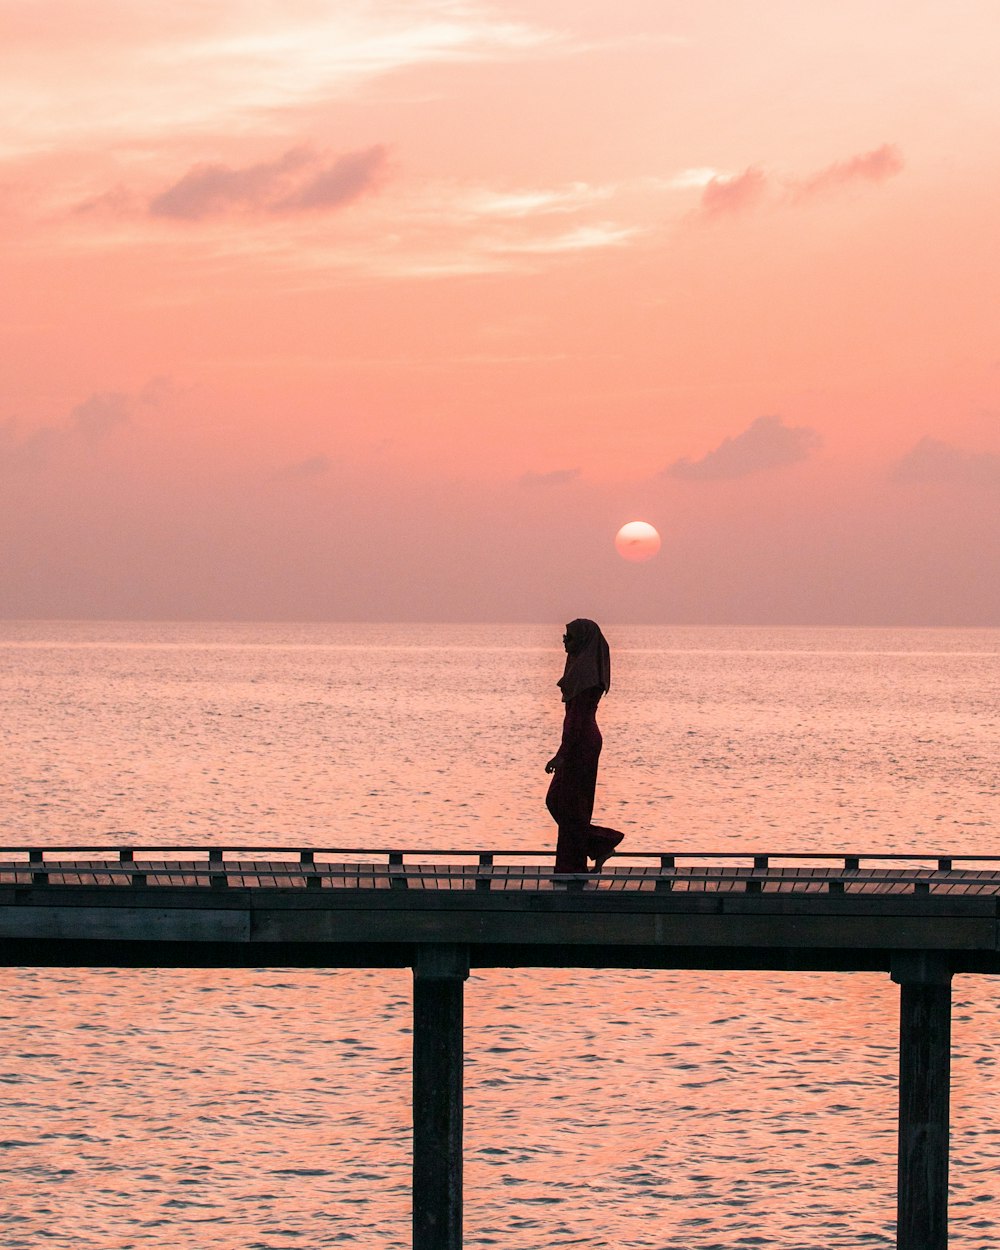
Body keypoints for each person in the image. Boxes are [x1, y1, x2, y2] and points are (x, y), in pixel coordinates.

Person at [545, 618, 624, 874]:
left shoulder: (586, 675)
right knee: (563, 802)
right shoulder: (580, 668)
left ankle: (584, 857)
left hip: (581, 742)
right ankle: (596, 846)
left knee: (567, 803)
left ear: (583, 640)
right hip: (579, 739)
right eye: (564, 636)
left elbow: (577, 718)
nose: (564, 641)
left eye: (569, 637)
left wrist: (562, 754)